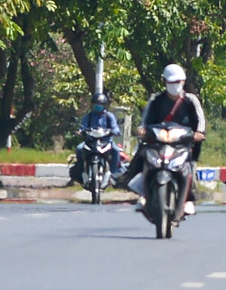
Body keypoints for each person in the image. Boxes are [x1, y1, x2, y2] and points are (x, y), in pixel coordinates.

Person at [117, 63, 206, 215]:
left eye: (178, 82)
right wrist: (142, 130)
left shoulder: (191, 100)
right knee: (143, 158)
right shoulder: (156, 100)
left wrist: (199, 133)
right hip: (158, 141)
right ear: (164, 82)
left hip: (183, 143)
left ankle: (189, 199)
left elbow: (200, 121)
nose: (175, 85)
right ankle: (140, 191)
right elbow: (144, 121)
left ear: (183, 82)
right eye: (171, 82)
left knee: (189, 166)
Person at [74, 92, 124, 181]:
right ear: (92, 105)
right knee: (79, 148)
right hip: (90, 141)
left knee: (116, 150)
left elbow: (115, 128)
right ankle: (81, 170)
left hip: (106, 141)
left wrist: (115, 132)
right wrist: (80, 131)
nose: (98, 107)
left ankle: (112, 173)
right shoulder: (88, 116)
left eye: (100, 105)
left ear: (105, 105)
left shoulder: (109, 116)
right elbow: (83, 127)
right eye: (96, 105)